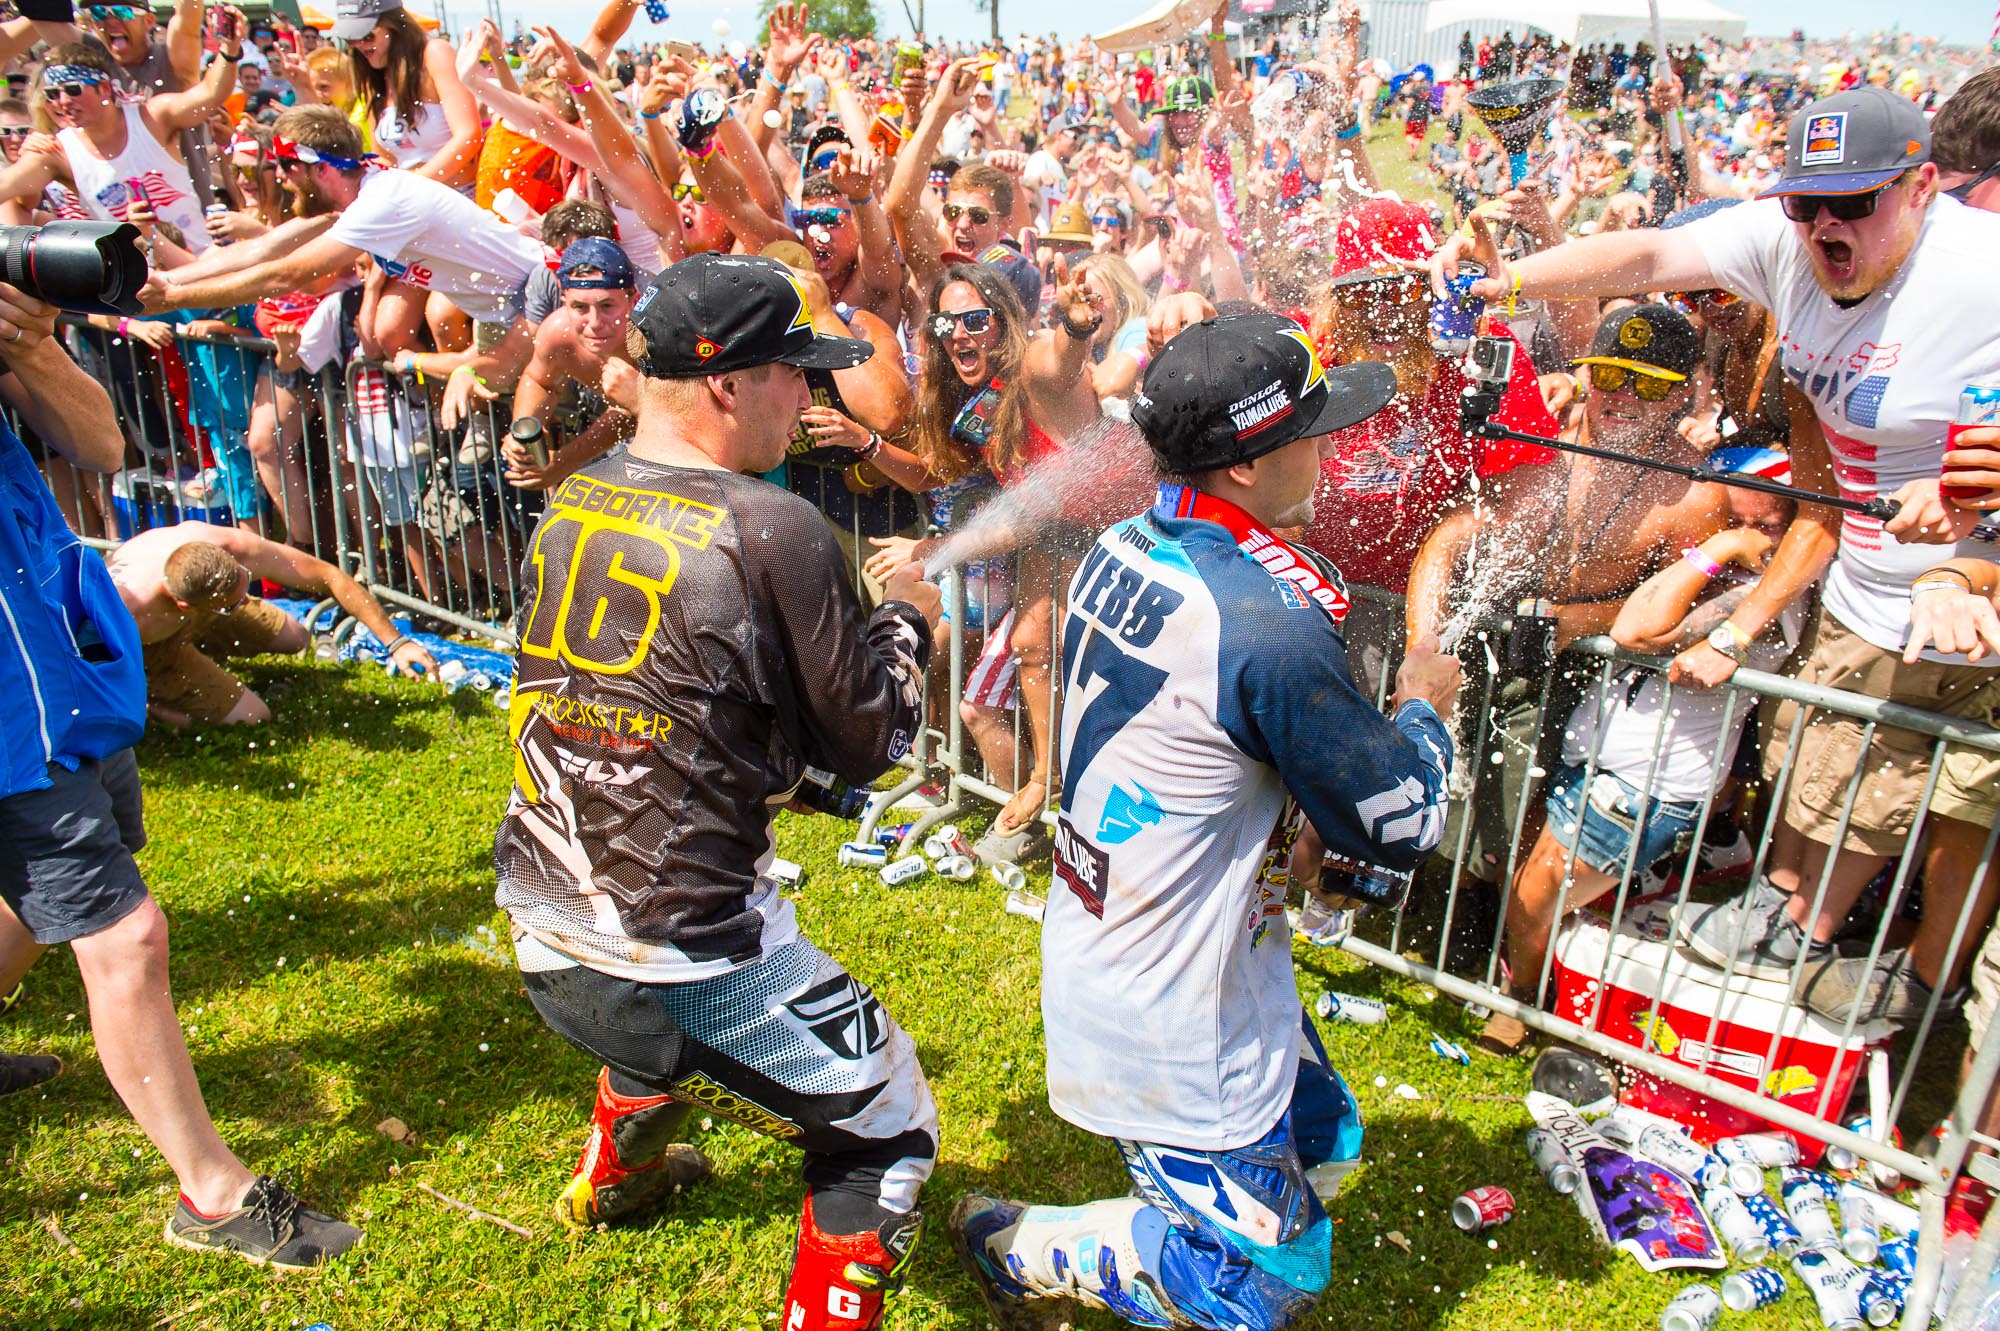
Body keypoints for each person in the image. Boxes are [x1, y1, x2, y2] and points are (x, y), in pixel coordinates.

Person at [1435, 86, 2000, 1021]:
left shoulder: (1981, 271)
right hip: (1862, 589)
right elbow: (1652, 253)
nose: (1822, 226)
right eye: (1804, 202)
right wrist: (1509, 283)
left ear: (1925, 185)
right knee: (1824, 791)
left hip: (1970, 593)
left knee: (1952, 803)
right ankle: (1797, 942)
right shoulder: (1784, 246)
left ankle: (1931, 988)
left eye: (1853, 202)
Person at [951, 313, 1459, 1331]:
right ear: (1241, 467)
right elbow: (1397, 822)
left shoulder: (1135, 535)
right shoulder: (1263, 624)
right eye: (1309, 427)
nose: (1329, 443)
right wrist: (1423, 704)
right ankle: (1019, 1245)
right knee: (1256, 1294)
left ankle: (1213, 1215)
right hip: (1167, 998)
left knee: (1327, 1142)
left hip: (1192, 934)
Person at [494, 254, 944, 1331]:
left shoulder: (576, 497)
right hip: (673, 957)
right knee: (888, 1122)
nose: (811, 397)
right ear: (729, 383)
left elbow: (635, 705)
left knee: (663, 1028)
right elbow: (877, 737)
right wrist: (910, 616)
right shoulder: (771, 525)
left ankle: (620, 1175)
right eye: (797, 373)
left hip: (542, 925)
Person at [0, 278, 362, 1263]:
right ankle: (212, 1194)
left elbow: (102, 443)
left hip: (59, 663)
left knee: (42, 898)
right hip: (12, 709)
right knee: (128, 936)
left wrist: (28, 349)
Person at [138, 105, 541, 365]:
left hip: (540, 301)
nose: (278, 177)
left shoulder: (381, 201)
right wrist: (169, 280)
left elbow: (286, 276)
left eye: (286, 166)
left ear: (322, 169)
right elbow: (261, 250)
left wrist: (175, 300)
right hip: (502, 315)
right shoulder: (354, 195)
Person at [105, 520, 438, 727]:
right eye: (231, 605)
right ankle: (157, 706)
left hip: (195, 609)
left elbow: (330, 577)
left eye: (244, 588)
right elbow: (76, 676)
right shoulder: (122, 610)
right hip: (148, 649)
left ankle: (204, 646)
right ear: (185, 605)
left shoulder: (228, 546)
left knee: (295, 637)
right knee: (251, 719)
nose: (242, 604)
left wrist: (397, 643)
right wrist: (137, 707)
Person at [0, 39, 238, 255]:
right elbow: (9, 186)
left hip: (205, 263)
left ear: (104, 89)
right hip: (137, 285)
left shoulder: (153, 117)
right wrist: (25, 155)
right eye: (52, 94)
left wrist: (229, 50)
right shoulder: (56, 151)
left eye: (73, 90)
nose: (61, 102)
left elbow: (210, 93)